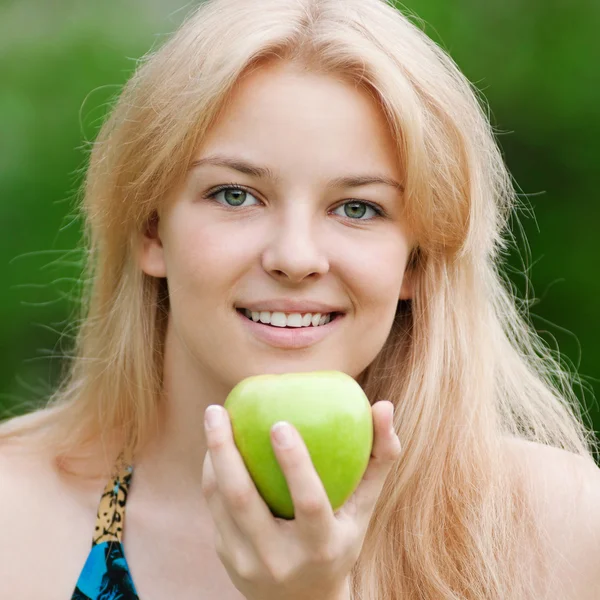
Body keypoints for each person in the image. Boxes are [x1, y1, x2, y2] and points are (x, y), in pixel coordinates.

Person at [1, 0, 599, 598]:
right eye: (235, 195)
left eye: (357, 207)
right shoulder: (13, 508)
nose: (295, 257)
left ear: (416, 260)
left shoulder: (559, 527)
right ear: (151, 231)